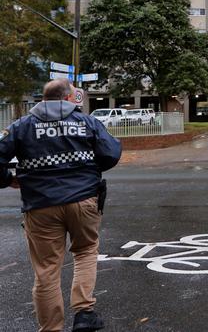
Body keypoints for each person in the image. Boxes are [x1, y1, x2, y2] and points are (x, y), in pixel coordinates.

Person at [0, 78, 122, 332]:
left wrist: (9, 180)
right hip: (84, 200)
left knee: (46, 270)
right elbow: (111, 153)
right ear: (68, 98)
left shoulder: (22, 126)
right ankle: (84, 313)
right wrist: (87, 171)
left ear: (42, 99)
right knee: (86, 251)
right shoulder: (86, 122)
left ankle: (51, 328)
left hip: (40, 204)